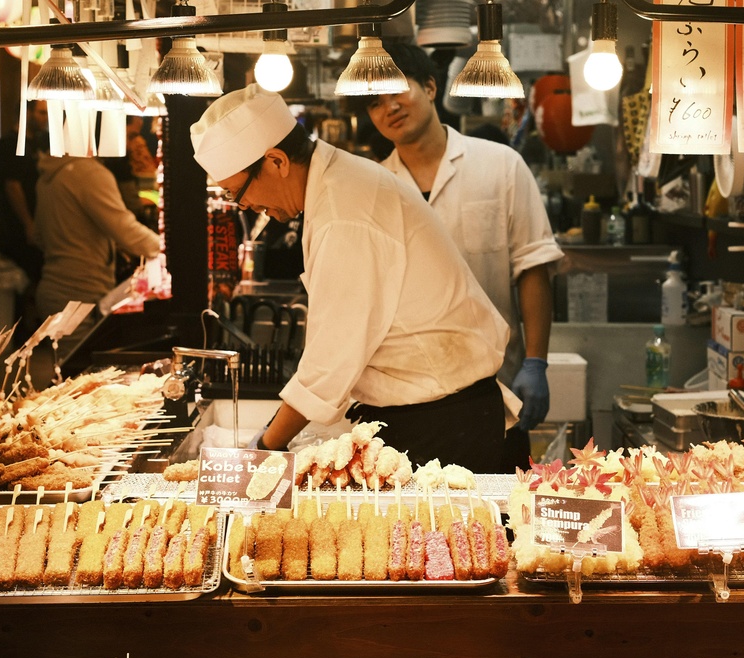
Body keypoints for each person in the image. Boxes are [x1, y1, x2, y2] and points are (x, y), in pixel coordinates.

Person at [190, 84, 512, 472]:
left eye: (237, 192)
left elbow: (330, 362)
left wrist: (264, 447)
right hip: (430, 412)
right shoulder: (337, 182)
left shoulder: (345, 213)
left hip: (441, 425)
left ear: (276, 161)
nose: (244, 205)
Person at [362, 43, 565, 470]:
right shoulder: (373, 188)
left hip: (496, 395)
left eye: (396, 90)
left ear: (430, 87)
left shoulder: (501, 165)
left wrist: (536, 361)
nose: (389, 107)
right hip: (404, 404)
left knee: (501, 512)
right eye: (374, 102)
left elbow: (532, 267)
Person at [32, 134, 160, 353]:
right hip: (80, 294)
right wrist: (167, 249)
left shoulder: (48, 175)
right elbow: (125, 230)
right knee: (81, 369)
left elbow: (39, 236)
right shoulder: (89, 173)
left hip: (54, 289)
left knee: (67, 368)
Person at [0, 101, 48, 285]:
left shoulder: (40, 141)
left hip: (38, 221)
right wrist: (28, 224)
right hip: (17, 227)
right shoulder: (10, 144)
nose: (46, 118)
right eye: (41, 113)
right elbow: (12, 186)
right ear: (27, 113)